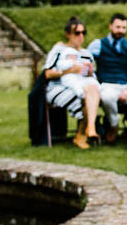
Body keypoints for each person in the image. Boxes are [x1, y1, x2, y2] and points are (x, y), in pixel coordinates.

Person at [42, 16, 101, 149]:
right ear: (68, 34)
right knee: (86, 96)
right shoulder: (59, 50)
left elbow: (92, 76)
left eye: (83, 33)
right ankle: (83, 133)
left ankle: (87, 129)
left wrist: (90, 72)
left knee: (92, 90)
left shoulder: (87, 53)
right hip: (58, 86)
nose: (81, 36)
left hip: (84, 83)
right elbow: (47, 73)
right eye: (77, 33)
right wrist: (69, 71)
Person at [85, 12, 127, 143]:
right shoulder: (98, 44)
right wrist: (90, 70)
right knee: (107, 97)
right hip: (107, 84)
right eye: (118, 27)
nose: (121, 31)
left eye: (124, 28)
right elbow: (86, 60)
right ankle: (114, 125)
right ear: (110, 26)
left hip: (126, 85)